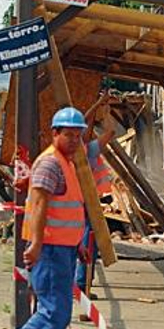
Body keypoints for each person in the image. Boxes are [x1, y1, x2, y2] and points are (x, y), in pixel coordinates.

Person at [0, 107, 89, 329]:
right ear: (55, 133)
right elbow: (38, 206)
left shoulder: (66, 162)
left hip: (64, 249)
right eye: (68, 134)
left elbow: (68, 209)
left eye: (78, 135)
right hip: (48, 249)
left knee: (59, 315)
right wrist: (35, 244)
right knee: (54, 313)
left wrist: (77, 243)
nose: (74, 140)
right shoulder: (50, 163)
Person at [74, 120, 116, 294]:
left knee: (84, 241)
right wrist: (102, 111)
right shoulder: (88, 150)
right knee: (88, 241)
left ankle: (82, 282)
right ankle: (82, 283)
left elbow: (110, 133)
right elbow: (110, 132)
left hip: (80, 202)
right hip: (87, 202)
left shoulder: (77, 152)